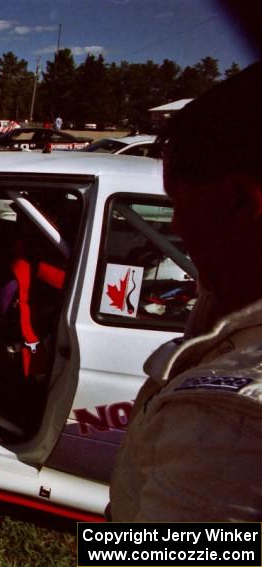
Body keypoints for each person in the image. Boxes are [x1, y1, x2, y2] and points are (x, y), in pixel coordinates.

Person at [109, 61, 262, 520]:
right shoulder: (231, 294)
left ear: (239, 202)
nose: (174, 224)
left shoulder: (226, 421)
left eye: (178, 202)